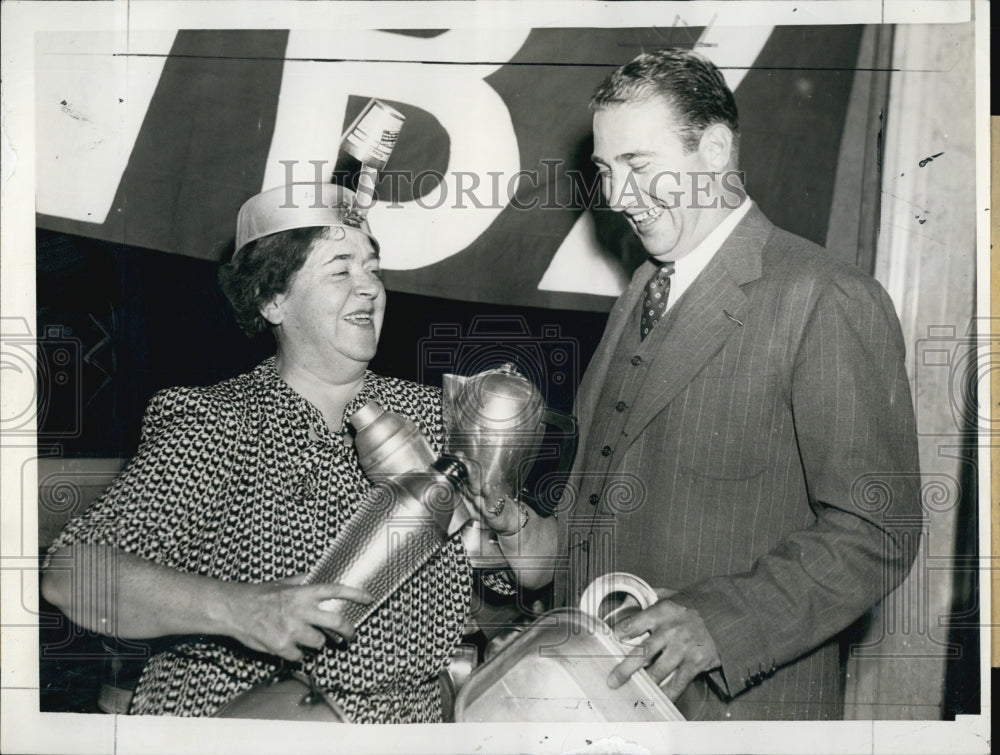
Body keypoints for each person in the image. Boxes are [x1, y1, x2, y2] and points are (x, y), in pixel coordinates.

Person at [41, 182, 555, 723]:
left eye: (373, 269)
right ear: (273, 299)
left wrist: (502, 509)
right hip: (243, 721)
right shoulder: (216, 421)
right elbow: (71, 575)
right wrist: (242, 609)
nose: (369, 289)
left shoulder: (437, 413)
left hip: (405, 724)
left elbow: (537, 570)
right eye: (340, 270)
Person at [555, 48, 922, 720]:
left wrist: (719, 623)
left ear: (716, 149)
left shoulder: (825, 295)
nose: (614, 197)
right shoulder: (641, 290)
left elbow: (879, 527)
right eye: (606, 172)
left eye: (637, 165)